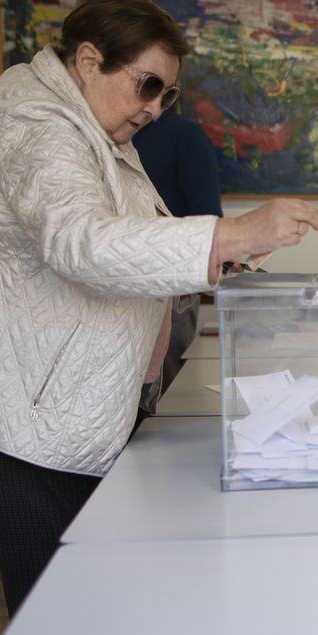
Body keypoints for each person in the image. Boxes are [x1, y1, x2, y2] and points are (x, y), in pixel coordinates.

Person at [0, 0, 318, 614]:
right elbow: (84, 244)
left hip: (67, 398)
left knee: (93, 598)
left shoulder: (92, 127)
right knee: (55, 612)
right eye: (146, 85)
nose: (156, 108)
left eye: (167, 94)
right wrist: (232, 232)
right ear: (87, 60)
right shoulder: (32, 120)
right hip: (32, 409)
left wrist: (226, 255)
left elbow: (137, 249)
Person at [132, 105, 224, 412]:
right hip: (147, 294)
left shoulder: (182, 137)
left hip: (155, 294)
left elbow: (208, 223)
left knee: (154, 402)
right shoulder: (184, 137)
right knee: (150, 406)